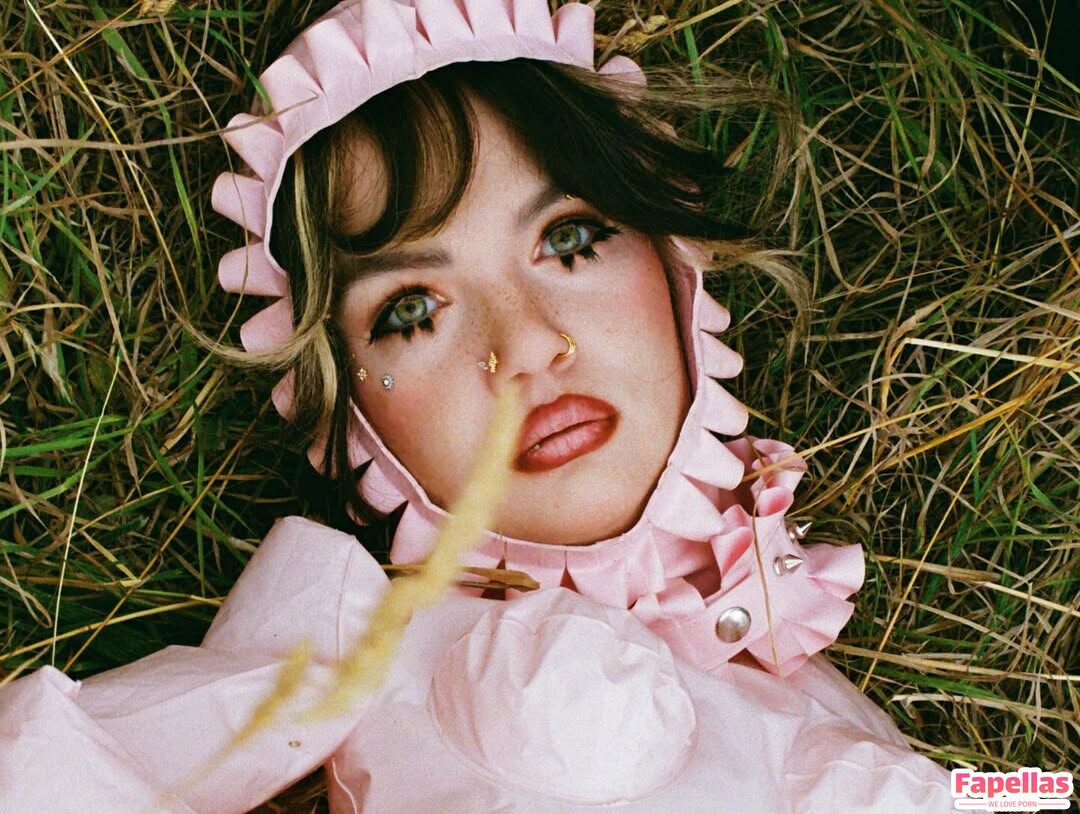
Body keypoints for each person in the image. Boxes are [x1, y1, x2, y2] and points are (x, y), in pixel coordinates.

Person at [0, 0, 954, 810]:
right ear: (344, 409)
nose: (527, 346)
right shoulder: (352, 640)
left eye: (570, 240)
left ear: (676, 268)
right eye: (413, 310)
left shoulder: (793, 653)